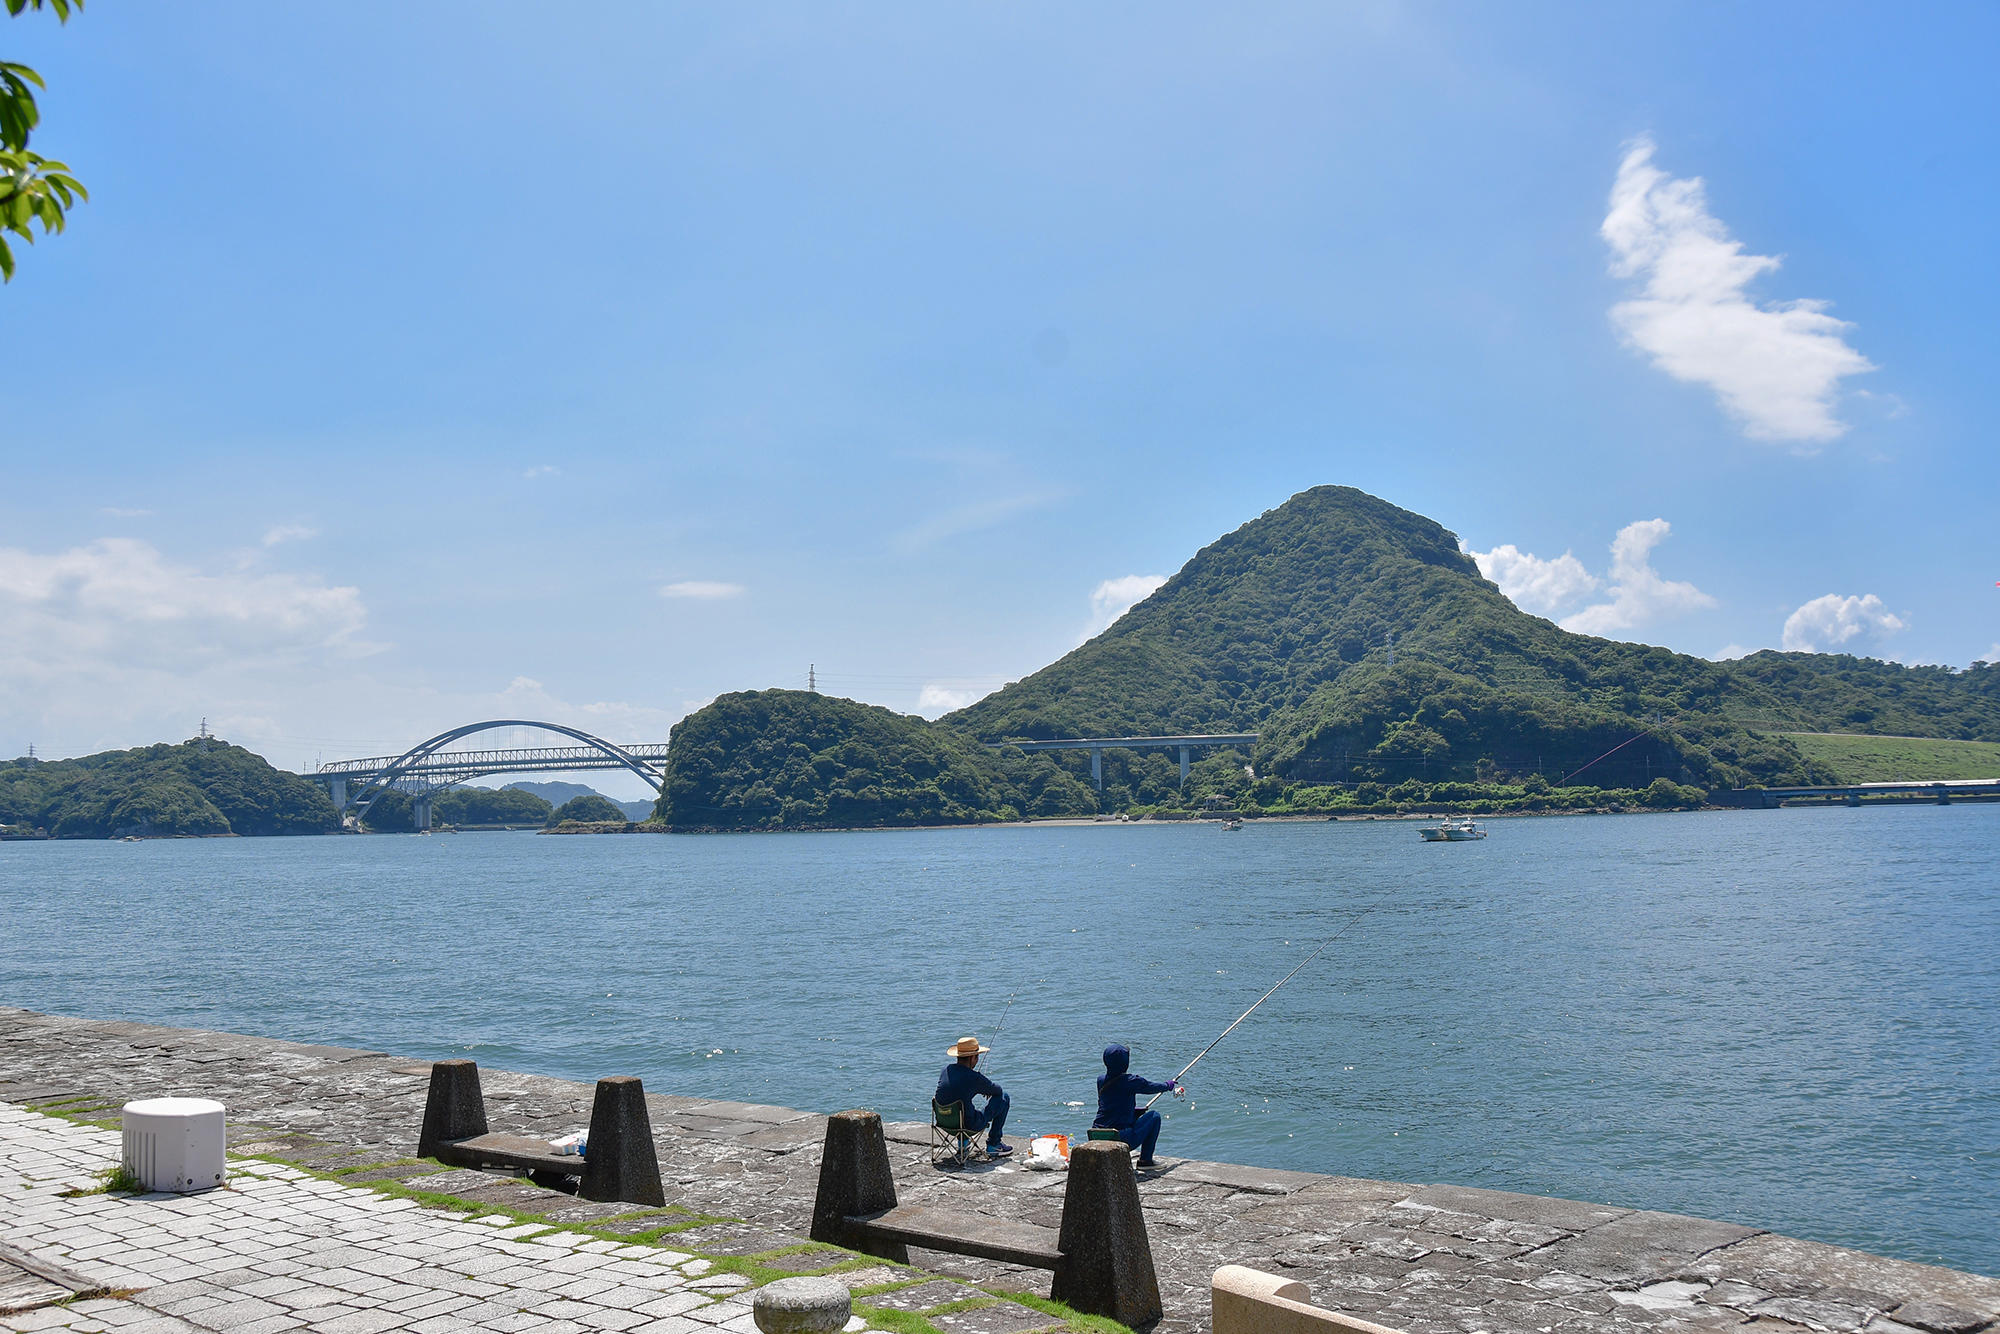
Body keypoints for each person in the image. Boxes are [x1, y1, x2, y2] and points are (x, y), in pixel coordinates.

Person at [1093, 1043, 1181, 1168]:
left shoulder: (1101, 1080)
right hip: (1120, 1137)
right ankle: (1145, 1161)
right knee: (1154, 1117)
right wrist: (1168, 1085)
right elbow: (1150, 1087)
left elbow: (1111, 1104)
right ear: (1126, 1063)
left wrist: (1132, 1111)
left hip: (1096, 1134)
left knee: (1138, 1118)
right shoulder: (1131, 1081)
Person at [936, 1035, 1012, 1158]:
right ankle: (994, 1144)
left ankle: (963, 1143)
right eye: (977, 1057)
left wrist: (979, 1087)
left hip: (944, 1122)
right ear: (972, 1057)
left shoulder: (946, 1069)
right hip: (968, 1125)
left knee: (962, 1106)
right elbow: (998, 1090)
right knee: (1004, 1097)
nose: (977, 1060)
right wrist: (984, 1089)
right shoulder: (973, 1077)